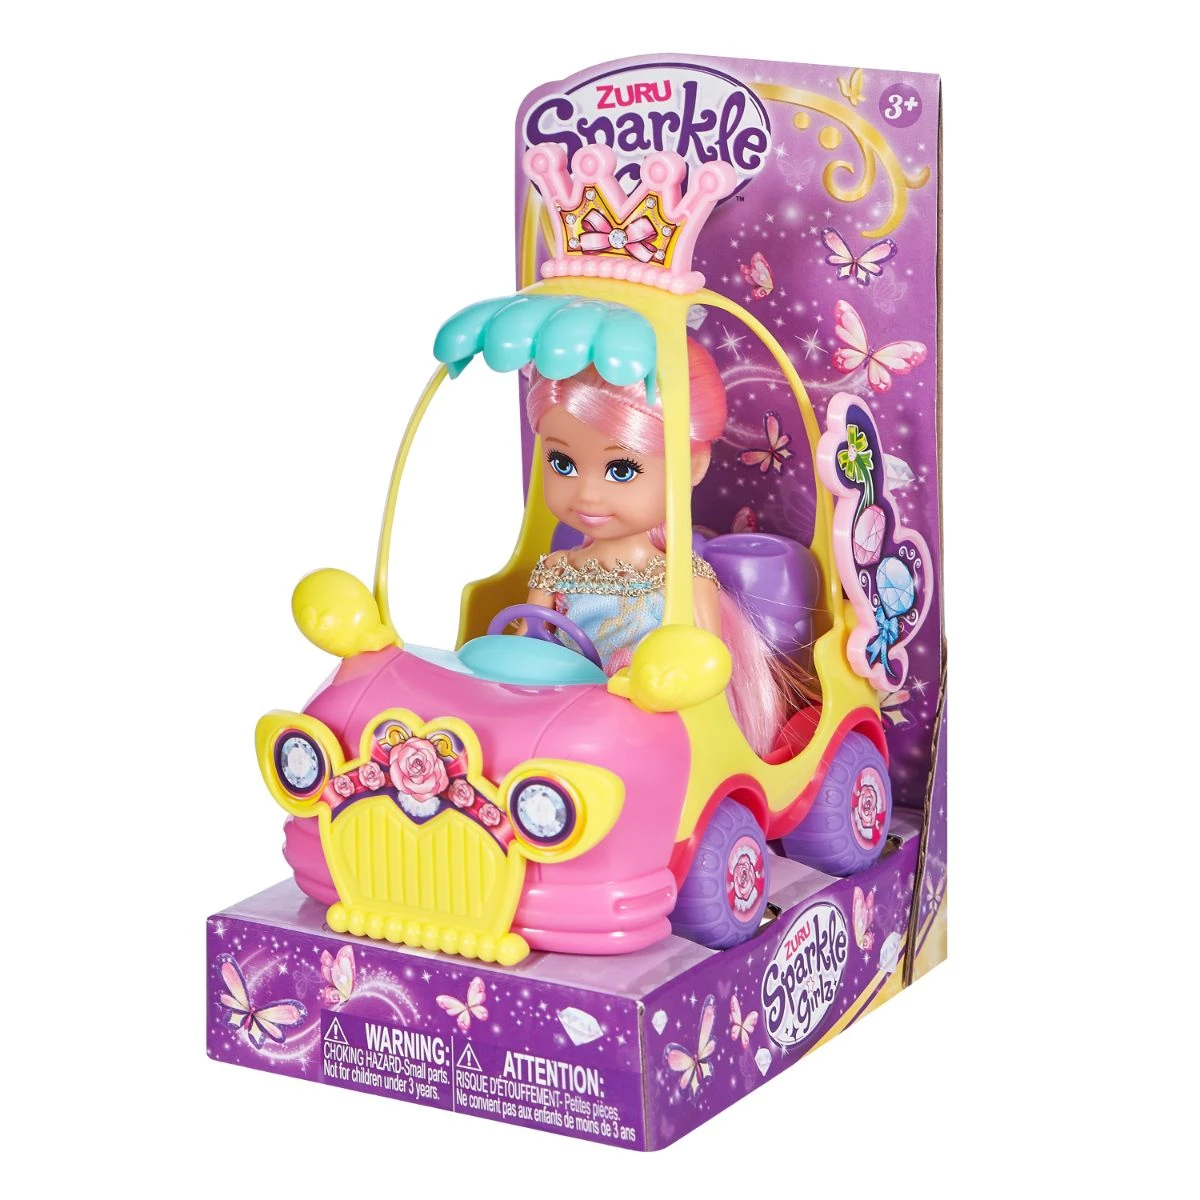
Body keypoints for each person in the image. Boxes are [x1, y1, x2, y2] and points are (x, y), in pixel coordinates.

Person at [520, 339, 785, 757]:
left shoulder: (684, 579)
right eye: (563, 464)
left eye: (621, 470)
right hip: (559, 723)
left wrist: (656, 686)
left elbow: (706, 667)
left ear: (691, 466)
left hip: (651, 735)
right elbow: (526, 647)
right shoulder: (555, 570)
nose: (587, 494)